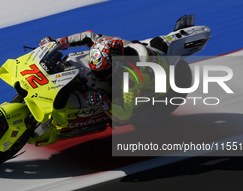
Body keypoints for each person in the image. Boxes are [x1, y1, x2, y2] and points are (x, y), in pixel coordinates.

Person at [39, 31, 170, 124]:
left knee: (113, 100)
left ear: (114, 67)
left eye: (102, 72)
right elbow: (88, 35)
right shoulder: (107, 45)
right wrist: (58, 43)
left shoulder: (129, 79)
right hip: (140, 50)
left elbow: (124, 116)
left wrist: (103, 102)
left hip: (155, 84)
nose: (97, 73)